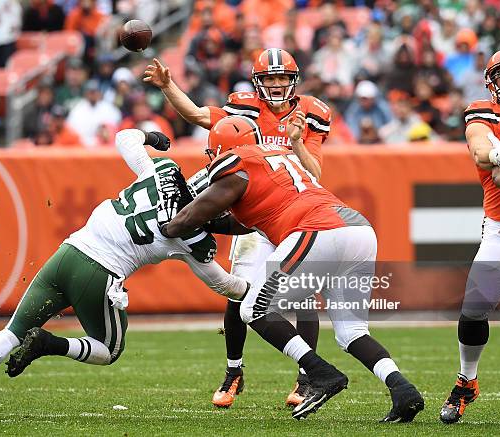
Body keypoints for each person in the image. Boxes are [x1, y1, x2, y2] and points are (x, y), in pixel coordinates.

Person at [0, 128, 249, 417]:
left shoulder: (159, 170)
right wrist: (254, 288)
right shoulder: (190, 237)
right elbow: (225, 285)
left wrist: (151, 137)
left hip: (68, 253)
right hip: (102, 273)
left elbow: (125, 136)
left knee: (12, 331)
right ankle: (48, 344)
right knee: (109, 350)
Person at [159, 115, 424, 421]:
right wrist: (201, 221)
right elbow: (242, 222)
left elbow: (193, 214)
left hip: (317, 231)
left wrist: (165, 228)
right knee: (351, 332)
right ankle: (403, 391)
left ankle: (318, 373)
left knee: (253, 309)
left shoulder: (235, 163)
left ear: (220, 149)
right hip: (357, 230)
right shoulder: (275, 158)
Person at [144, 48, 331, 408]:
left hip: (292, 213)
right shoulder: (244, 109)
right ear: (258, 81)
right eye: (270, 78)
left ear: (293, 80)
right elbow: (200, 115)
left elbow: (315, 173)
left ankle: (307, 378)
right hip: (255, 213)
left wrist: (294, 140)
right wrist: (168, 87)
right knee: (238, 293)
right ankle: (234, 371)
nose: (276, 85)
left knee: (304, 295)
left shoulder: (311, 114)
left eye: (282, 78)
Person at [440, 47, 500, 424]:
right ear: (491, 83)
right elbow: (484, 154)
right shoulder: (483, 112)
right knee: (472, 311)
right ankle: (467, 380)